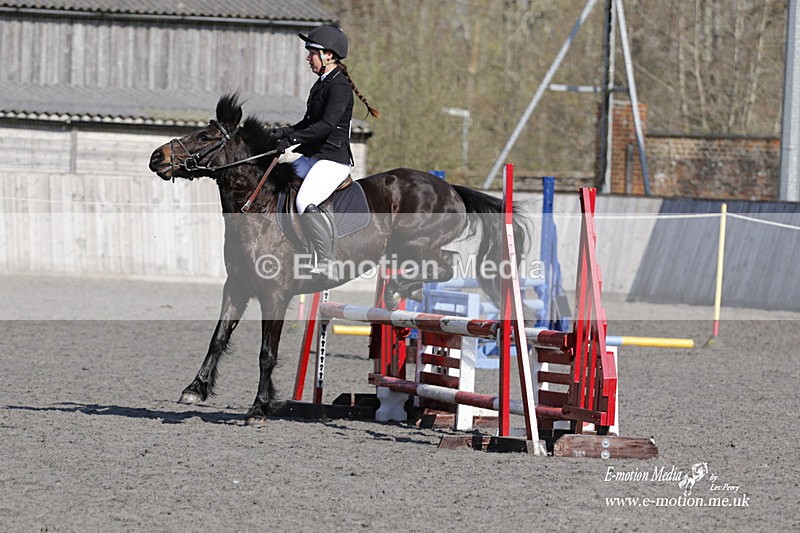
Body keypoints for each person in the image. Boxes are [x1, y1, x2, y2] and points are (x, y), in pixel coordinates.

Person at [272, 25, 379, 279]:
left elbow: (327, 126)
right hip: (314, 157)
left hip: (333, 160)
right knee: (280, 182)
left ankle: (326, 258)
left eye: (312, 52)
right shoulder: (321, 83)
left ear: (328, 55)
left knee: (303, 200)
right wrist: (282, 133)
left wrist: (293, 139)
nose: (308, 57)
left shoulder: (339, 86)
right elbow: (309, 123)